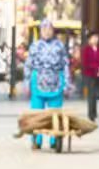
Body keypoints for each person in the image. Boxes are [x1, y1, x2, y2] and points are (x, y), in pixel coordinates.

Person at [26, 20, 71, 150]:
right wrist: (26, 82)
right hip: (38, 81)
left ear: (53, 31)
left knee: (55, 114)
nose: (47, 31)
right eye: (44, 29)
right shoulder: (34, 46)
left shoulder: (59, 46)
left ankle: (54, 139)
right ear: (40, 31)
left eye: (49, 29)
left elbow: (65, 65)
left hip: (56, 81)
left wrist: (67, 83)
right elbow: (28, 65)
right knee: (37, 113)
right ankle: (36, 139)